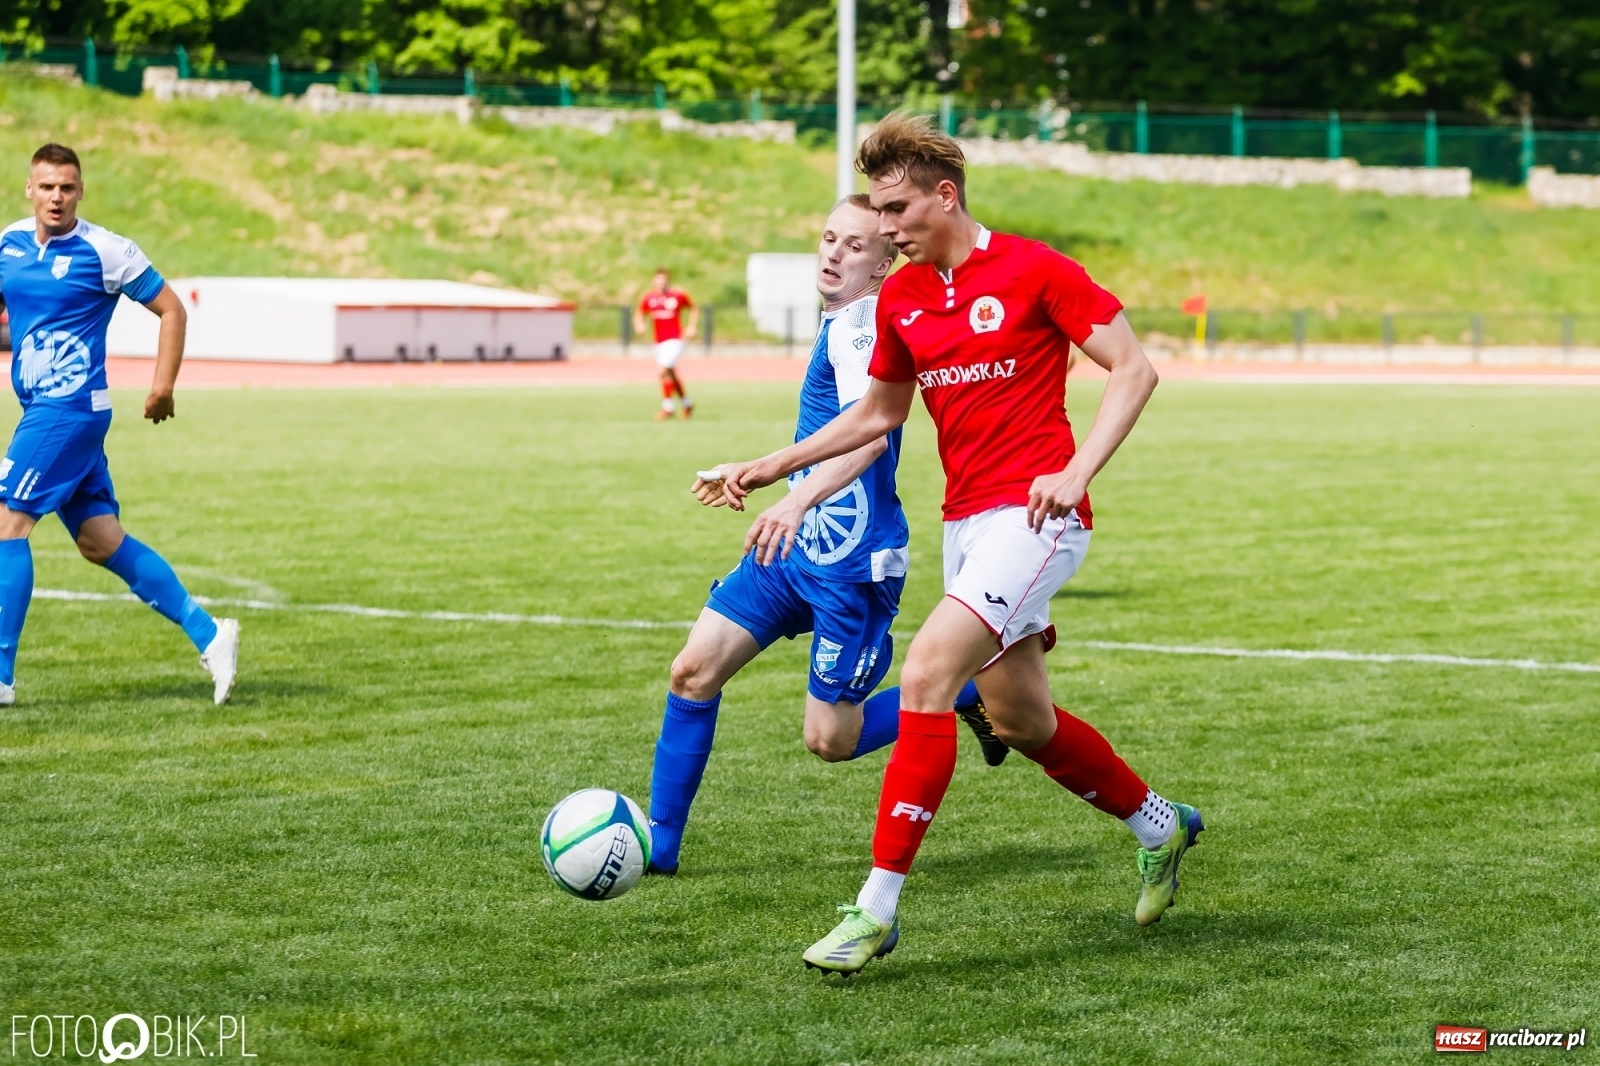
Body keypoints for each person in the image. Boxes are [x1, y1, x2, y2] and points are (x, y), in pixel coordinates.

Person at [719, 114, 1204, 974]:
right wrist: (774, 465)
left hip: (1039, 516)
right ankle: (1162, 825)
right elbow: (878, 415)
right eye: (878, 209)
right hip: (968, 523)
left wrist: (1078, 471)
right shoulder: (903, 297)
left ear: (945, 195)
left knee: (928, 674)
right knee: (1022, 721)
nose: (887, 226)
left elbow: (1135, 369)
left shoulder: (1034, 269)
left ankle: (876, 911)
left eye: (898, 209)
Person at [646, 195, 1005, 877]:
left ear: (882, 264)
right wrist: (756, 472)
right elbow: (822, 438)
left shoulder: (863, 330)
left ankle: (964, 691)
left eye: (855, 245)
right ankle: (659, 846)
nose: (834, 253)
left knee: (831, 740)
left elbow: (869, 439)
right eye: (828, 238)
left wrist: (795, 498)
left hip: (851, 564)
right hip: (794, 548)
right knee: (693, 671)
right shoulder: (844, 319)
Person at [0, 143, 240, 706]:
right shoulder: (7, 244)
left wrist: (162, 386)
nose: (57, 197)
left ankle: (1, 677)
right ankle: (211, 634)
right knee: (99, 541)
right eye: (47, 186)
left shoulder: (106, 251)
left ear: (80, 191)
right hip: (40, 407)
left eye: (67, 187)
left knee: (7, 522)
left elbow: (172, 309)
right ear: (29, 190)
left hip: (70, 409)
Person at [634, 268, 698, 420]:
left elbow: (693, 308)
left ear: (668, 280)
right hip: (659, 342)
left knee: (662, 370)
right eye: (658, 280)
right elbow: (639, 313)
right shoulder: (649, 298)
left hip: (675, 340)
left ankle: (667, 407)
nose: (660, 283)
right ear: (654, 281)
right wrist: (639, 324)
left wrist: (692, 326)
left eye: (663, 280)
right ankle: (686, 403)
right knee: (671, 374)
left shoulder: (677, 295)